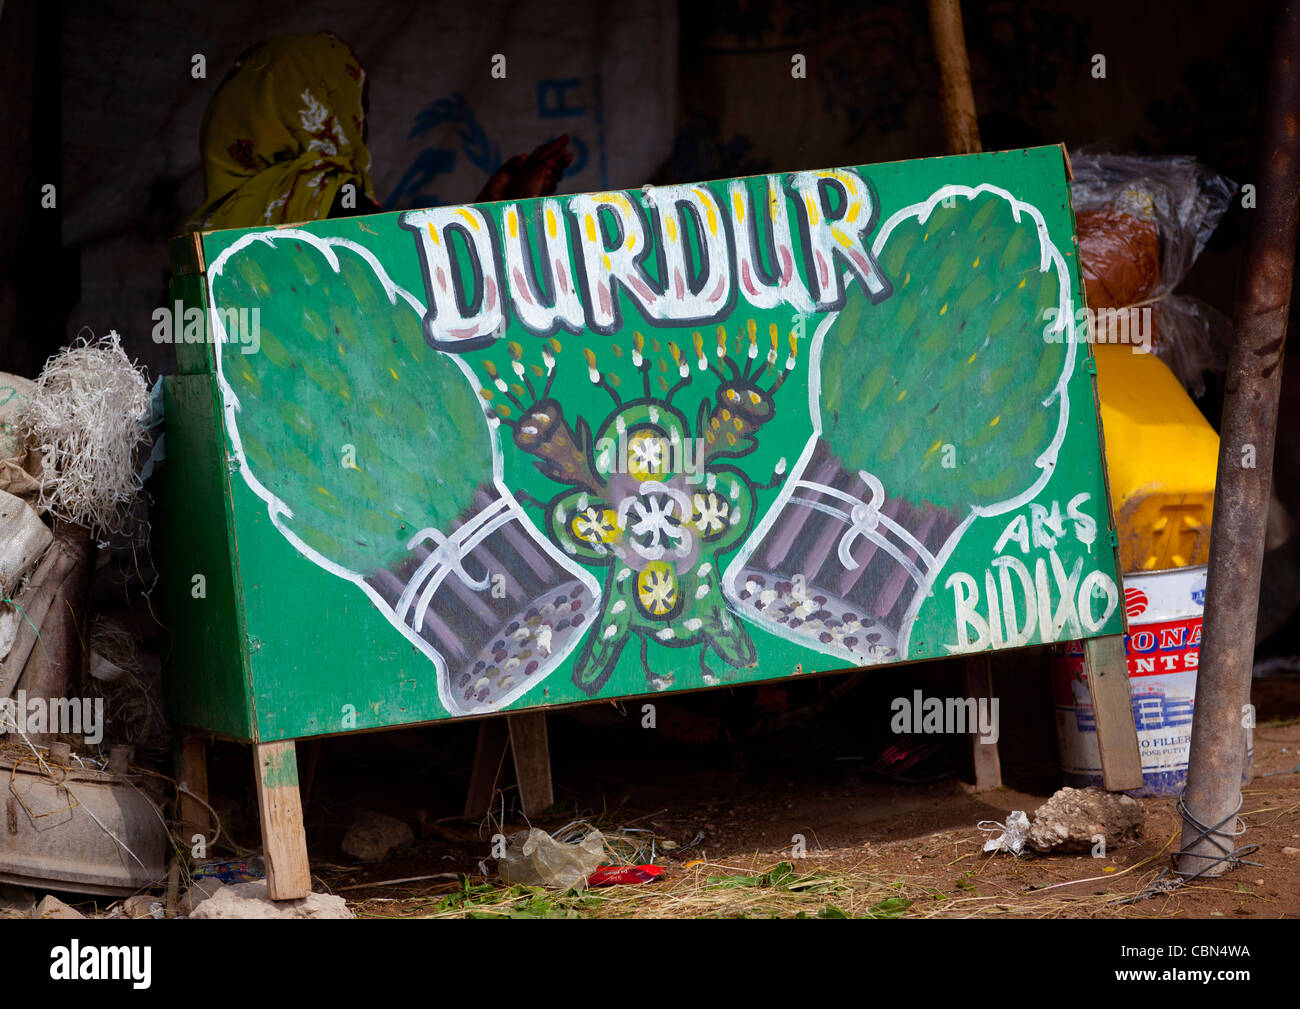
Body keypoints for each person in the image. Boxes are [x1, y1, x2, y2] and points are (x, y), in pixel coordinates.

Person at [189, 32, 571, 231]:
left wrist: (487, 205)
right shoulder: (325, 194)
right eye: (356, 105)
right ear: (320, 110)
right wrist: (508, 210)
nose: (363, 126)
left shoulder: (212, 219)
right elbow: (406, 281)